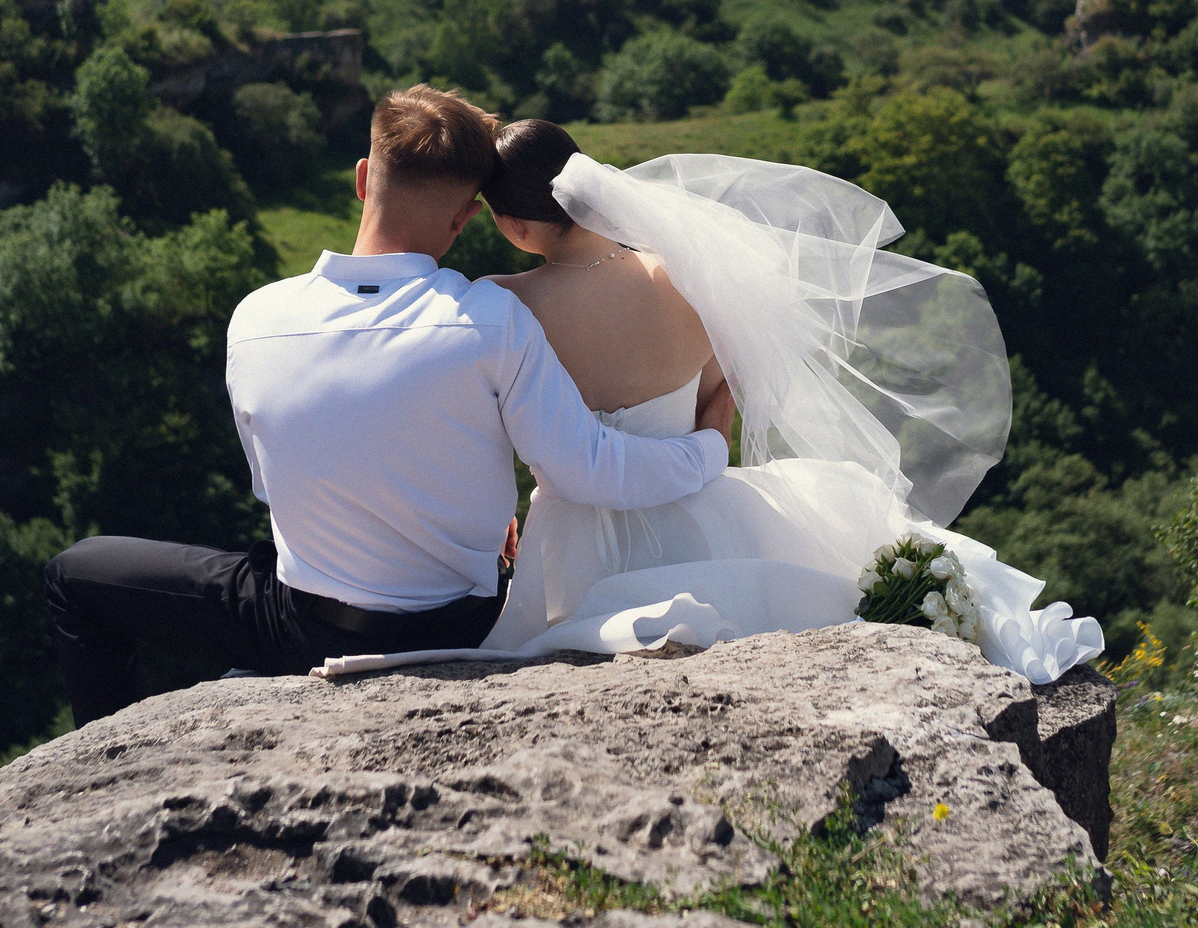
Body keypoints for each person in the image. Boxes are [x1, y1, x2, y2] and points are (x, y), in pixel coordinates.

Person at [42, 86, 730, 724]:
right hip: (463, 623)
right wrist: (708, 447)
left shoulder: (256, 318)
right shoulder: (492, 318)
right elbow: (589, 470)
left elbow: (272, 486)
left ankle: (105, 759)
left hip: (301, 626)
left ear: (363, 176)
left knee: (77, 575)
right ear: (465, 218)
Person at [337, 119, 1103, 685]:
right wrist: (703, 438)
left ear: (512, 222)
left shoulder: (506, 304)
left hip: (569, 539)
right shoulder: (686, 273)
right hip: (700, 505)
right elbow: (721, 395)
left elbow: (492, 428)